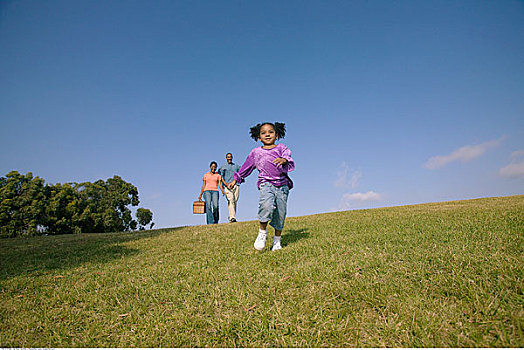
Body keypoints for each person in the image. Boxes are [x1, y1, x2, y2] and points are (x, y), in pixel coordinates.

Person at [230, 122, 294, 251]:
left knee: (280, 214)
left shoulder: (281, 148)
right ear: (259, 137)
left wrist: (284, 160)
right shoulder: (256, 152)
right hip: (266, 184)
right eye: (264, 133)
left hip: (282, 186)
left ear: (276, 135)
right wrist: (236, 178)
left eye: (271, 132)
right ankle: (262, 233)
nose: (267, 135)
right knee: (266, 206)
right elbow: (246, 167)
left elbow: (288, 156)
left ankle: (277, 241)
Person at [218, 153, 241, 223]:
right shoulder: (223, 167)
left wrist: (235, 181)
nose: (229, 158)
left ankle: (232, 215)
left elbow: (241, 172)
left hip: (236, 185)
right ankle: (232, 217)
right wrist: (226, 184)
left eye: (230, 157)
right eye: (228, 157)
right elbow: (220, 177)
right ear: (226, 158)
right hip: (227, 186)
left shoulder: (236, 166)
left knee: (235, 201)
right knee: (230, 200)